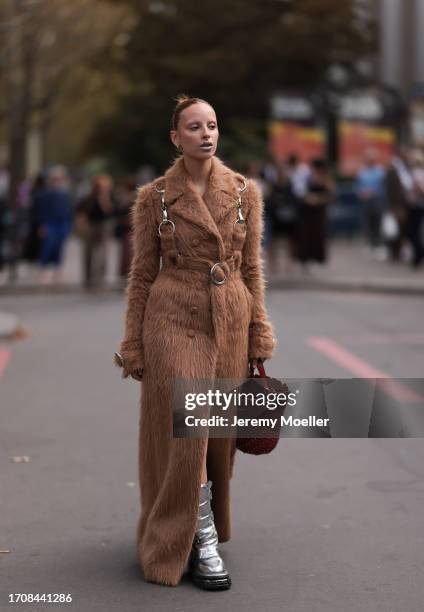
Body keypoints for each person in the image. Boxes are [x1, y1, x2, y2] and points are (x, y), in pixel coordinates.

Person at [114, 95, 277, 590]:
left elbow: (251, 269)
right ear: (175, 137)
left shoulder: (245, 192)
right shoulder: (155, 197)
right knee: (189, 435)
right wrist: (134, 343)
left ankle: (195, 527)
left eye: (211, 125)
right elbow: (142, 275)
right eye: (193, 127)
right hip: (172, 316)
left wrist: (259, 332)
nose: (205, 134)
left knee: (215, 440)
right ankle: (198, 540)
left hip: (230, 317)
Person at [76, 174, 115, 289]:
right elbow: (81, 212)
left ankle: (99, 279)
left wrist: (104, 197)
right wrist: (82, 226)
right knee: (88, 253)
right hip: (91, 226)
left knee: (102, 254)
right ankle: (88, 279)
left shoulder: (109, 197)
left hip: (104, 226)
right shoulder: (89, 197)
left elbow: (110, 211)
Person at [36, 166, 72, 284]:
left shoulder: (65, 194)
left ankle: (58, 271)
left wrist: (68, 226)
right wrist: (42, 225)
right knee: (47, 246)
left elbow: (68, 211)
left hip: (62, 223)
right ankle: (43, 270)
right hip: (50, 223)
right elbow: (42, 211)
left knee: (60, 248)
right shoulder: (46, 194)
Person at [296, 158, 335, 268]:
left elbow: (331, 196)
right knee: (306, 234)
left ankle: (318, 257)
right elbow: (300, 191)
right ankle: (305, 258)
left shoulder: (326, 179)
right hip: (307, 211)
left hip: (319, 211)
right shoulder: (308, 178)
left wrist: (318, 199)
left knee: (318, 233)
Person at [356, 149, 386, 253]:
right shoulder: (362, 172)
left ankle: (379, 245)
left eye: (372, 158)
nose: (370, 160)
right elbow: (358, 186)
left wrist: (372, 192)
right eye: (368, 158)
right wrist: (361, 192)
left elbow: (383, 187)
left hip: (377, 200)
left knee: (378, 223)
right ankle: (369, 245)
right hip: (365, 201)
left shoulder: (381, 171)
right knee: (366, 223)